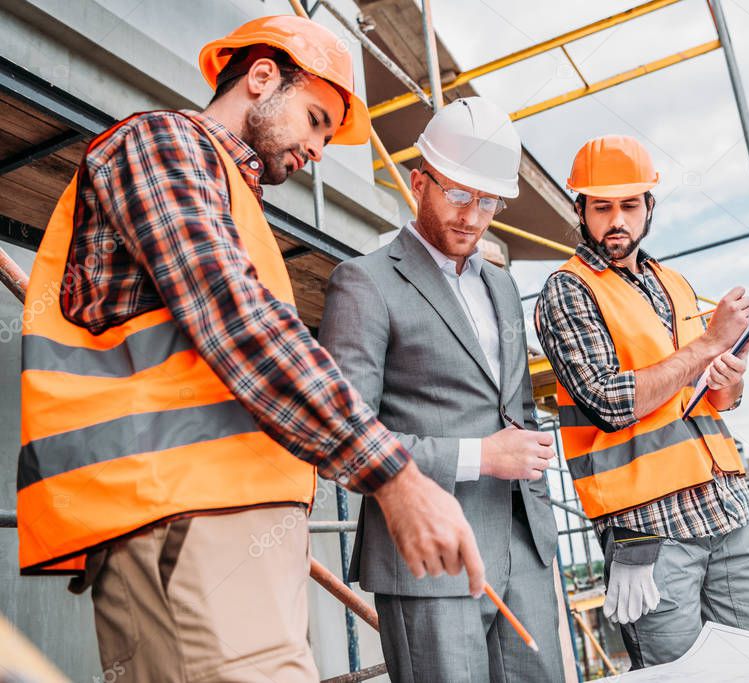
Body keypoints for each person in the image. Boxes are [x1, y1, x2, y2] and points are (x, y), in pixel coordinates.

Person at [16, 16, 482, 681]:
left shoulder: (233, 198)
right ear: (262, 76)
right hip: (182, 515)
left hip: (220, 518)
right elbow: (233, 315)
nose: (319, 149)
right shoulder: (161, 142)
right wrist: (392, 473)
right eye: (317, 120)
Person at [320, 97, 564, 683]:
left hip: (524, 549)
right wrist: (483, 456)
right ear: (419, 182)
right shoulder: (365, 283)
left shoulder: (503, 287)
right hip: (427, 559)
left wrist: (527, 446)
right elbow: (342, 438)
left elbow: (515, 407)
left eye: (488, 201)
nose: (473, 217)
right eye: (458, 195)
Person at [535, 134, 749, 669]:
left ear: (650, 206)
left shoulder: (673, 282)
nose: (616, 220)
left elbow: (709, 397)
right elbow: (608, 401)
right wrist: (711, 343)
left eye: (629, 205)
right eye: (601, 207)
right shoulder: (568, 290)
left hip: (727, 514)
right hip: (652, 538)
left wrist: (729, 376)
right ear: (580, 210)